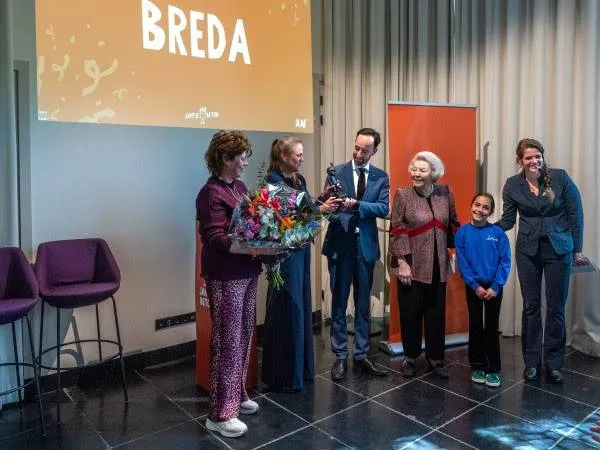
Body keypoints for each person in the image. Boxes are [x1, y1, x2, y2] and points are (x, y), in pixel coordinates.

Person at [497, 138, 584, 384]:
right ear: (520, 161)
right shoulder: (512, 184)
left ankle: (554, 364)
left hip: (559, 250)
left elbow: (575, 213)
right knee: (531, 307)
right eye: (529, 157)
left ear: (543, 157)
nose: (534, 161)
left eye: (538, 156)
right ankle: (532, 363)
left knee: (556, 308)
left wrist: (577, 249)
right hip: (528, 251)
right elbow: (508, 220)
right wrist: (484, 229)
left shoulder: (560, 178)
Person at [261, 136, 340, 392]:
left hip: (301, 249)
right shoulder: (273, 182)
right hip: (284, 253)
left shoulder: (298, 180)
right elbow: (288, 217)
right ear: (283, 157)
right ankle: (283, 375)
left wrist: (321, 200)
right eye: (298, 155)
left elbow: (303, 211)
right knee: (288, 308)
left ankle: (301, 371)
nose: (302, 159)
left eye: (302, 154)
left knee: (300, 307)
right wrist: (320, 210)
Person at [196, 130, 262, 438]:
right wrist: (258, 248)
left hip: (247, 270)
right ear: (224, 158)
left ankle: (237, 393)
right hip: (225, 275)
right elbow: (216, 239)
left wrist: (263, 242)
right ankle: (220, 414)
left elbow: (251, 225)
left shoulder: (240, 187)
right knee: (228, 341)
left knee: (245, 335)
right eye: (242, 157)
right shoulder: (209, 194)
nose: (246, 163)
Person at [322, 127, 390, 381]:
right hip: (340, 244)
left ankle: (361, 355)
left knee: (363, 304)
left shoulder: (381, 177)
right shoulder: (336, 172)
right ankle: (340, 355)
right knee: (339, 302)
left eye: (365, 150)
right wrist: (330, 207)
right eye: (357, 148)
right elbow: (326, 206)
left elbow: (383, 208)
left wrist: (358, 205)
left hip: (366, 247)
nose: (359, 154)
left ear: (375, 151)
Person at [388, 151, 460, 379]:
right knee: (410, 314)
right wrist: (402, 262)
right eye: (414, 169)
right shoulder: (403, 195)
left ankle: (436, 358)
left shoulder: (445, 193)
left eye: (422, 170)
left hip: (438, 264)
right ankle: (410, 358)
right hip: (411, 265)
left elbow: (454, 223)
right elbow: (396, 230)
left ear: (433, 173)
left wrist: (456, 249)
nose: (416, 174)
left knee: (435, 315)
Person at [455, 193, 511, 387]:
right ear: (471, 206)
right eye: (477, 205)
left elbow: (505, 262)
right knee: (476, 326)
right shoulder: (462, 233)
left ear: (491, 212)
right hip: (474, 288)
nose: (480, 210)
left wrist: (495, 286)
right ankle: (477, 365)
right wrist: (474, 286)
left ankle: (493, 369)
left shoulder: (498, 233)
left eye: (485, 207)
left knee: (492, 327)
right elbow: (463, 263)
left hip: (494, 288)